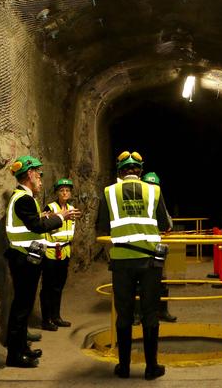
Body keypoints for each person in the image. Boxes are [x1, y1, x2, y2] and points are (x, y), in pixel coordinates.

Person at [96, 151, 170, 380]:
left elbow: (103, 226)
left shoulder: (109, 192)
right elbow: (164, 223)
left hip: (121, 261)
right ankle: (151, 368)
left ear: (120, 171)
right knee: (150, 313)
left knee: (124, 314)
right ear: (139, 170)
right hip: (149, 262)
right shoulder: (154, 190)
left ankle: (124, 367)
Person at [4, 156, 82, 368]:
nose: (40, 179)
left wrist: (46, 215)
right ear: (29, 175)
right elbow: (36, 226)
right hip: (23, 259)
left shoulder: (26, 198)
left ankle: (22, 348)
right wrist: (61, 217)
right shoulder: (23, 198)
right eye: (39, 174)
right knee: (21, 308)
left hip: (25, 258)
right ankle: (14, 355)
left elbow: (32, 220)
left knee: (25, 306)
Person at [40, 178, 76, 331]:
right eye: (62, 190)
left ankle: (56, 316)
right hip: (51, 252)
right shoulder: (51, 207)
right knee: (48, 286)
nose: (65, 193)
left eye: (67, 190)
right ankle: (46, 319)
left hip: (65, 251)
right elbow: (44, 226)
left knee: (59, 286)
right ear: (57, 193)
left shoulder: (71, 208)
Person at [141, 172, 176, 323]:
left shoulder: (159, 203)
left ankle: (162, 311)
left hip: (157, 247)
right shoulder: (139, 205)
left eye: (155, 186)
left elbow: (169, 223)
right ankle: (138, 314)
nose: (152, 189)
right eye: (149, 185)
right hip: (141, 247)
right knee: (140, 281)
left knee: (161, 279)